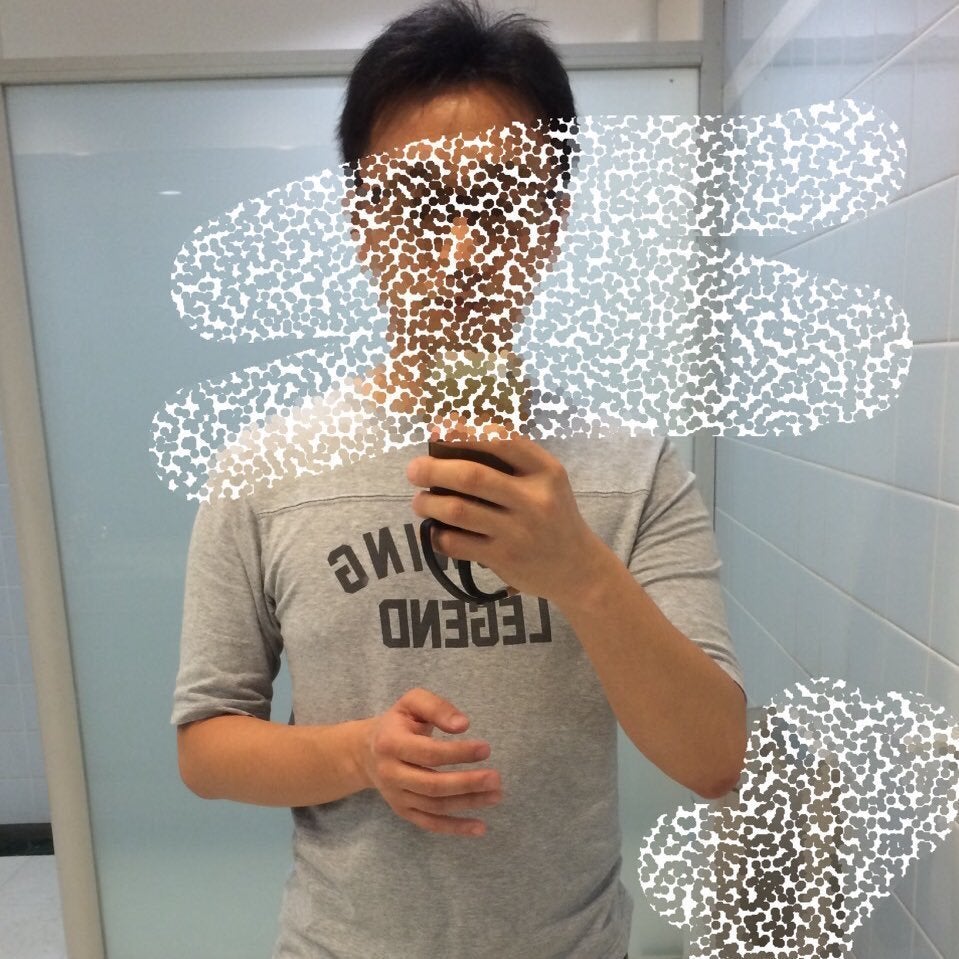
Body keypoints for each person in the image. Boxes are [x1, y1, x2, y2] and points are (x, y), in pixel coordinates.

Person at [171, 2, 748, 958]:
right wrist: (357, 751)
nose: (461, 251)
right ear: (360, 220)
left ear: (551, 224)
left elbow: (715, 758)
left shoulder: (634, 472)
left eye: (501, 202)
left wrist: (581, 571)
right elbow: (205, 742)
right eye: (418, 201)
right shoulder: (263, 470)